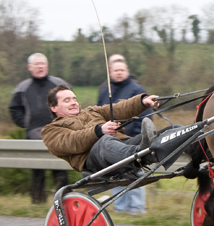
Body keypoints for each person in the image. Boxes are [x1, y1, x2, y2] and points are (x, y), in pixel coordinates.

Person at [41, 85, 159, 177]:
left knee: (160, 135)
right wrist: (99, 131)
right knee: (105, 141)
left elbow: (118, 109)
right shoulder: (50, 130)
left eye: (74, 99)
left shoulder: (92, 111)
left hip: (120, 146)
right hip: (95, 160)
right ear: (54, 107)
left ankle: (165, 145)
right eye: (67, 100)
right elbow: (72, 141)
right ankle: (139, 156)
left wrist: (143, 102)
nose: (73, 103)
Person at [9, 53, 70, 204]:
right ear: (29, 68)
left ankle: (64, 203)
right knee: (37, 171)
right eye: (36, 64)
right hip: (34, 136)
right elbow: (14, 109)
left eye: (42, 63)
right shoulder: (22, 88)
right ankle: (38, 204)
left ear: (47, 66)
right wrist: (26, 123)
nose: (40, 66)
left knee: (60, 170)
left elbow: (72, 103)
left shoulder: (59, 84)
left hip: (58, 134)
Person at [97, 54, 150, 215]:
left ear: (127, 71)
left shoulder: (137, 90)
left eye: (122, 70)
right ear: (110, 72)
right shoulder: (105, 91)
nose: (119, 73)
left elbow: (146, 116)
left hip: (133, 141)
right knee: (117, 175)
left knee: (135, 175)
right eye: (116, 70)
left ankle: (137, 210)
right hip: (112, 143)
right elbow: (98, 114)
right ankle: (119, 210)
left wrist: (138, 138)